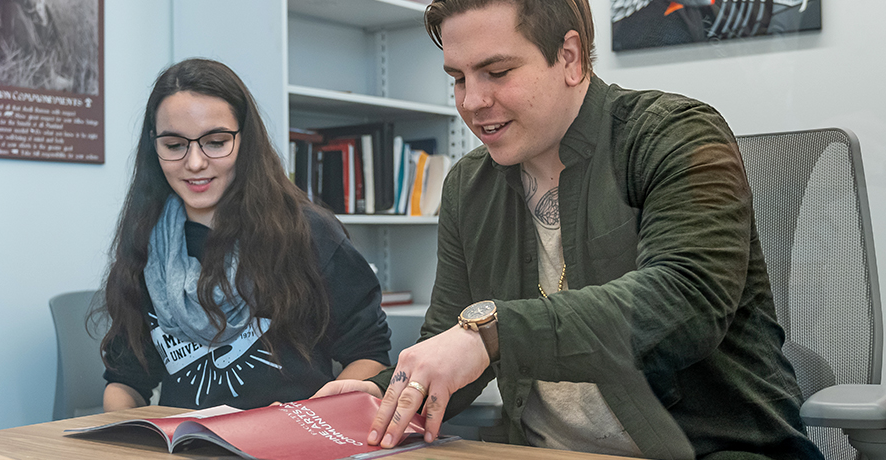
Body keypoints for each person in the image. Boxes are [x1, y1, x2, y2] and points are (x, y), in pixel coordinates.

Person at [314, 1, 822, 459]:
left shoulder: (675, 133)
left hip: (711, 449)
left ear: (571, 57)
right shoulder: (469, 185)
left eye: (496, 71)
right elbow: (451, 344)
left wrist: (492, 336)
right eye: (458, 77)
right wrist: (384, 393)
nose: (471, 101)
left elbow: (685, 302)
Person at [92, 58, 392, 411]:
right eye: (174, 146)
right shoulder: (144, 243)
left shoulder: (311, 235)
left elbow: (369, 355)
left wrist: (319, 419)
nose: (194, 163)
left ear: (245, 141)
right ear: (153, 146)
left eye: (215, 142)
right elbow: (126, 382)